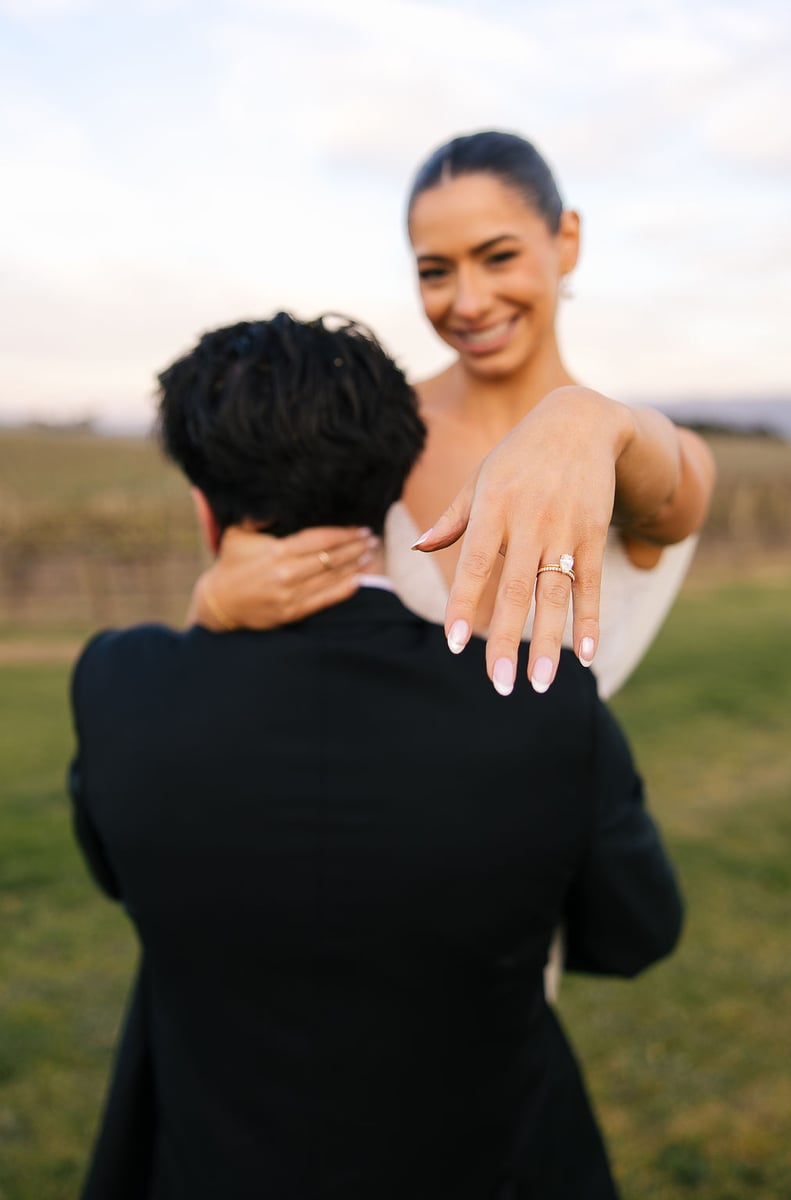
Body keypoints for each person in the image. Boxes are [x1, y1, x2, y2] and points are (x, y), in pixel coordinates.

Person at [69, 312, 684, 1200]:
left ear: (206, 509)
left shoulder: (117, 687)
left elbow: (117, 866)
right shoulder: (539, 698)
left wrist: (200, 619)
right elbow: (638, 929)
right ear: (398, 485)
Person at [188, 130, 715, 701]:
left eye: (499, 258)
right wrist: (211, 606)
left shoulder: (619, 447)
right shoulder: (372, 428)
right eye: (436, 271)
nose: (468, 302)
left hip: (566, 787)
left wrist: (587, 419)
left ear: (566, 240)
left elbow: (673, 494)